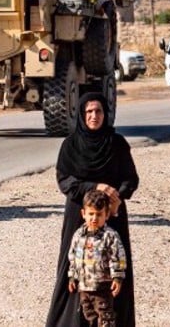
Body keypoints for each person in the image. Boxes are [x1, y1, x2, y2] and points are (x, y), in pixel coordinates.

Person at [47, 92, 139, 327]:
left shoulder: (117, 144)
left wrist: (117, 196)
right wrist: (95, 187)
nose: (94, 116)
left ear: (105, 114)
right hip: (80, 214)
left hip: (113, 214)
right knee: (75, 265)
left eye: (98, 111)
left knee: (114, 263)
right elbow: (65, 181)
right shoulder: (71, 144)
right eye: (88, 112)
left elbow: (130, 178)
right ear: (81, 115)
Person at [67, 189, 127, 327]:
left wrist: (117, 277)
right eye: (91, 214)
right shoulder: (78, 235)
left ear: (106, 215)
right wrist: (72, 276)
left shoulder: (110, 236)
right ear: (84, 214)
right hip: (84, 286)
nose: (94, 218)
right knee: (89, 315)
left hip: (102, 286)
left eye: (99, 214)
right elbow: (73, 257)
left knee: (105, 315)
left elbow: (118, 257)